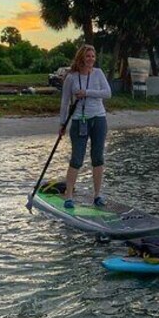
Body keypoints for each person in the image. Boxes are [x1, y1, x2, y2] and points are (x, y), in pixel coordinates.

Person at [59, 44, 111, 209]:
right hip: (79, 120)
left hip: (99, 118)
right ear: (81, 57)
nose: (91, 59)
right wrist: (62, 123)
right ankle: (68, 196)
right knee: (77, 158)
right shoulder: (71, 77)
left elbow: (107, 93)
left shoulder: (98, 73)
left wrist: (87, 92)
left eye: (93, 57)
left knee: (98, 158)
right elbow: (65, 101)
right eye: (88, 56)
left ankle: (97, 195)